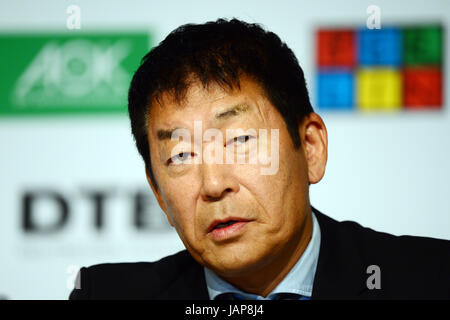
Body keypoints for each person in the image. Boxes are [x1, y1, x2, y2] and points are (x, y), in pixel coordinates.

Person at [69, 18, 450, 300]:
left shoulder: (428, 278)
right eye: (181, 154)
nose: (214, 185)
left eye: (240, 139)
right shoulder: (106, 295)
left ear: (311, 147)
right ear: (157, 192)